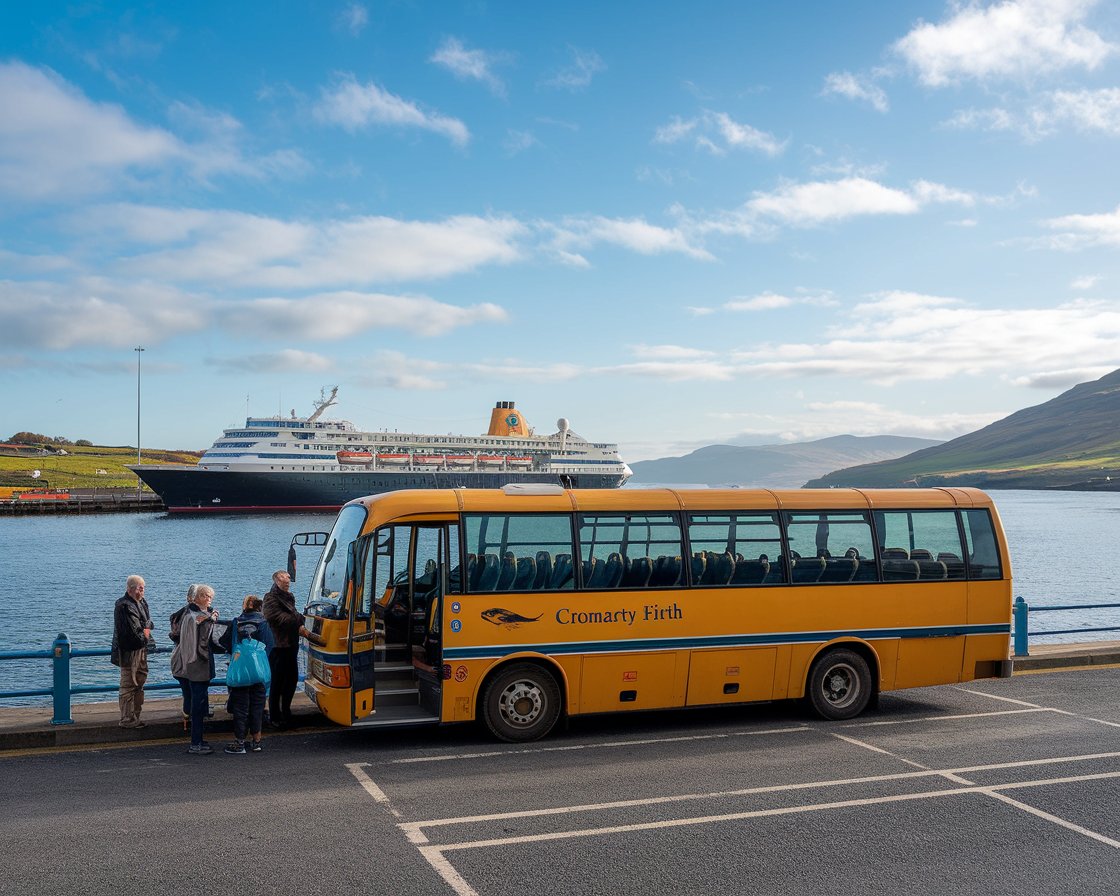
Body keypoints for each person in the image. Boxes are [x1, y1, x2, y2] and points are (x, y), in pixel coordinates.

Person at [170, 583, 221, 755]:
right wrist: (212, 618)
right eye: (206, 596)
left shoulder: (188, 614)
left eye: (210, 597)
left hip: (187, 665)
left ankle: (198, 739)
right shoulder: (198, 618)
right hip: (197, 667)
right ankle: (196, 743)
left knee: (193, 702)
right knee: (198, 706)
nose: (209, 600)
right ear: (198, 597)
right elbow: (206, 641)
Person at [224, 595, 275, 754]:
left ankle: (240, 742)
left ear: (244, 606)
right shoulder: (264, 623)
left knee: (240, 708)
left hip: (240, 672)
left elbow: (225, 642)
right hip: (258, 672)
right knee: (257, 706)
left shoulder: (236, 622)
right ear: (260, 608)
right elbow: (270, 645)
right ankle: (257, 742)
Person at [262, 570, 307, 728]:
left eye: (288, 578)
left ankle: (286, 712)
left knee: (291, 680)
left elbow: (292, 615)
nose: (286, 581)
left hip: (291, 645)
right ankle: (275, 716)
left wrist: (299, 618)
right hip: (278, 646)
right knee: (277, 682)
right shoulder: (270, 598)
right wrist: (299, 619)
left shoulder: (289, 597)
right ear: (276, 581)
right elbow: (275, 617)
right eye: (283, 579)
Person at [111, 574, 152, 729]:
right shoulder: (124, 606)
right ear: (131, 589)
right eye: (140, 588)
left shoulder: (141, 603)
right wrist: (145, 632)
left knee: (139, 683)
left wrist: (145, 630)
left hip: (140, 649)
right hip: (129, 651)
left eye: (143, 588)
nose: (142, 591)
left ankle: (135, 716)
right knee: (129, 684)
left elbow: (147, 624)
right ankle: (127, 719)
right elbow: (136, 632)